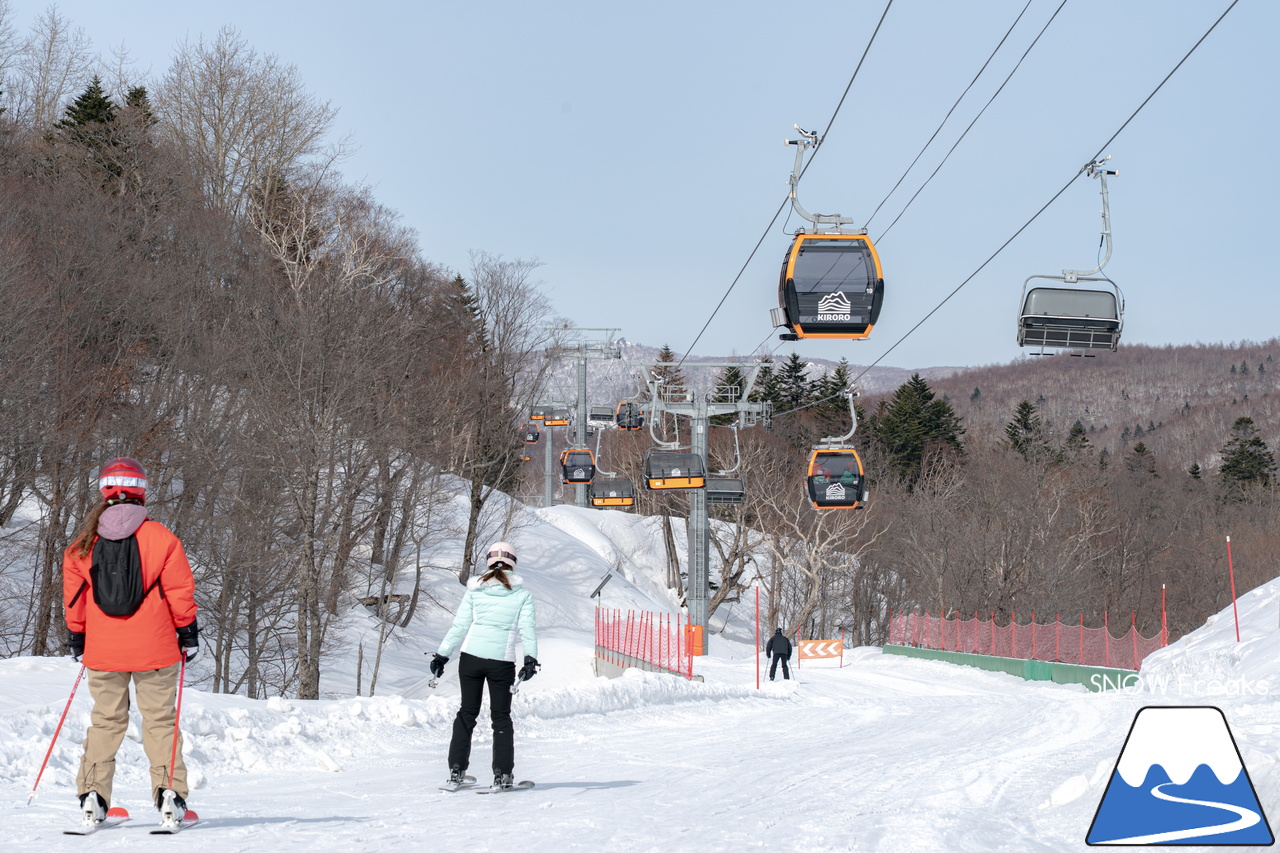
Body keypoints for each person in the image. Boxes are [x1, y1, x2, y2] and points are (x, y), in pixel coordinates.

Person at [63, 457, 198, 828]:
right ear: (142, 490)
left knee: (105, 722)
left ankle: (93, 796)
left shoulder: (82, 544)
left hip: (104, 651)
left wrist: (77, 636)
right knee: (160, 722)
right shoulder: (163, 538)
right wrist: (188, 632)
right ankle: (170, 796)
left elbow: (74, 601)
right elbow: (180, 594)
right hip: (156, 648)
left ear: (104, 490)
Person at [430, 541, 539, 790]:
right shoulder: (522, 595)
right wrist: (530, 660)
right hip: (501, 662)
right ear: (513, 562)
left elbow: (459, 627)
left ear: (488, 561)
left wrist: (441, 656)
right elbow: (527, 630)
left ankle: (456, 772)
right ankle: (503, 776)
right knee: (500, 717)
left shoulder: (474, 592)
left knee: (467, 713)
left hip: (470, 659)